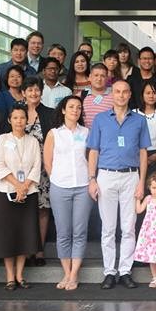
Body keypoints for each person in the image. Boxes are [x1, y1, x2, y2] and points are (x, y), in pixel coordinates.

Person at [88, 80, 151, 290]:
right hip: (106, 175)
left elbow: (143, 152)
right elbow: (93, 151)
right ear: (112, 94)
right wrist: (92, 179)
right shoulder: (100, 119)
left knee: (129, 227)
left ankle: (125, 271)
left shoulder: (139, 120)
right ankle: (109, 271)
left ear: (130, 94)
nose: (121, 95)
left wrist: (142, 181)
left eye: (125, 92)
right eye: (117, 91)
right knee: (107, 228)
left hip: (131, 176)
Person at [44, 95, 92, 291]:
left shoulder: (86, 132)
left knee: (79, 232)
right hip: (60, 186)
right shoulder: (54, 133)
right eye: (71, 107)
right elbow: (47, 162)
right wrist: (55, 178)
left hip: (83, 186)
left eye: (78, 107)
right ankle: (66, 271)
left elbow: (91, 158)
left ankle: (74, 274)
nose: (75, 110)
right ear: (63, 110)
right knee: (63, 232)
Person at [0, 106, 41, 290]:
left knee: (24, 234)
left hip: (29, 192)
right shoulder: (2, 139)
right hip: (5, 192)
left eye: (22, 118)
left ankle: (20, 275)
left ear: (27, 120)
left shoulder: (33, 141)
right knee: (8, 234)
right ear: (9, 120)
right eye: (15, 118)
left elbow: (37, 166)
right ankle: (9, 276)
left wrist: (24, 186)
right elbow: (0, 165)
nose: (19, 121)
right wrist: (17, 185)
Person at [21, 77, 56, 266]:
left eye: (37, 90)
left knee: (43, 210)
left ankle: (39, 250)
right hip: (21, 172)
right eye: (30, 90)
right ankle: (26, 251)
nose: (33, 93)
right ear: (23, 93)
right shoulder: (17, 112)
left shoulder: (50, 113)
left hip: (44, 170)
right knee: (25, 210)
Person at [81, 63, 114, 129]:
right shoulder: (82, 95)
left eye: (102, 76)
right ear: (90, 77)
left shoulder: (114, 95)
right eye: (96, 75)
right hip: (86, 134)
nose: (99, 79)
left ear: (107, 78)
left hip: (106, 134)